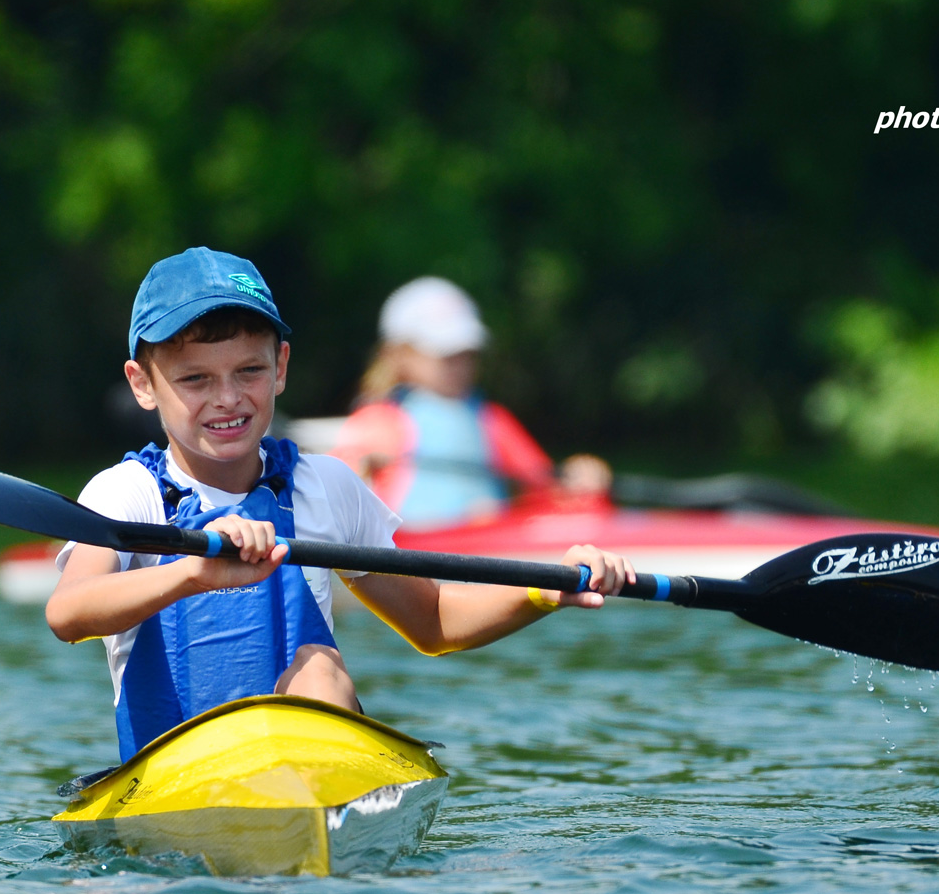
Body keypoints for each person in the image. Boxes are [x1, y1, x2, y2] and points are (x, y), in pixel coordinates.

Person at [44, 247, 634, 763]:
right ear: (142, 384)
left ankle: (320, 816)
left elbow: (431, 621)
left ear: (281, 367)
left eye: (249, 370)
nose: (227, 398)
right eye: (195, 380)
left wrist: (543, 591)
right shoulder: (124, 495)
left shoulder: (327, 486)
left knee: (317, 666)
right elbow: (68, 614)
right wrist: (194, 573)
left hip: (310, 769)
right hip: (174, 772)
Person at [329, 277, 611, 526]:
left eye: (467, 354)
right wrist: (358, 470)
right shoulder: (379, 421)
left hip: (491, 548)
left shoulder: (492, 421)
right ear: (400, 355)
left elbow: (547, 493)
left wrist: (580, 486)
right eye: (447, 355)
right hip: (413, 556)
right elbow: (335, 493)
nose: (461, 366)